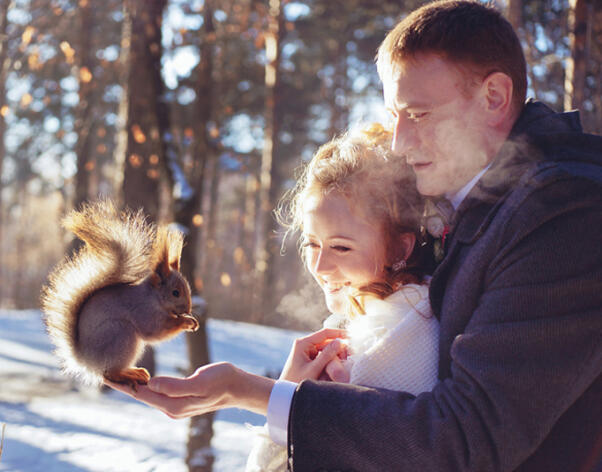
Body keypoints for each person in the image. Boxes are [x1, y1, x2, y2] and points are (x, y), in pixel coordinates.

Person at [108, 2, 602, 470]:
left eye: (420, 114)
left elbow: (467, 439)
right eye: (394, 115)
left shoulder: (565, 212)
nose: (401, 143)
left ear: (494, 97)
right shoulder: (475, 199)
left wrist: (253, 392)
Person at [245, 124, 439, 472]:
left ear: (401, 247)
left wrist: (288, 394)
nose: (320, 266)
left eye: (341, 247)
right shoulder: (369, 319)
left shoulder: (394, 337)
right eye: (311, 243)